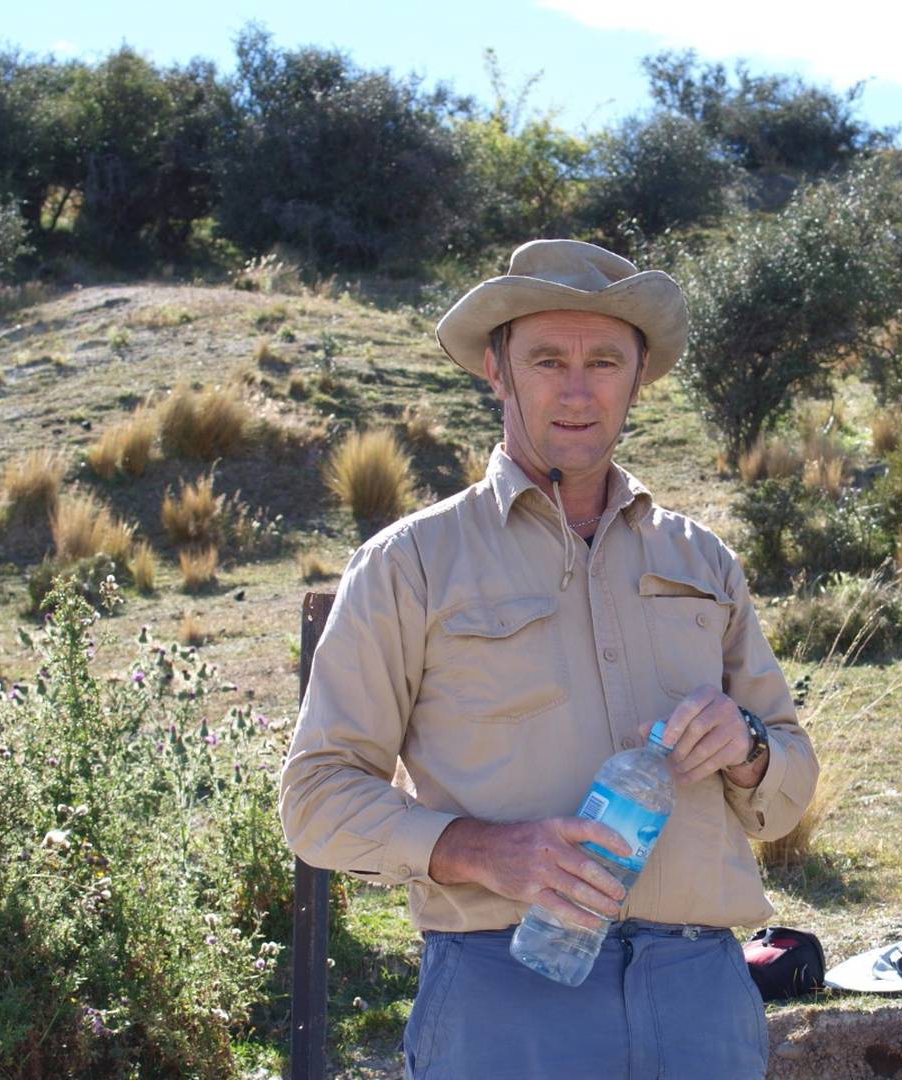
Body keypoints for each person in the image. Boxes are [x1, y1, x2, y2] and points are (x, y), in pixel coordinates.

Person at [279, 239, 819, 1079]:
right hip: (506, 998)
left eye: (605, 360)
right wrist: (480, 851)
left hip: (703, 1001)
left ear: (639, 378)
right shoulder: (409, 564)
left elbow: (786, 784)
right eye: (546, 359)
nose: (577, 389)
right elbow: (315, 801)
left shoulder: (703, 561)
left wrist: (749, 750)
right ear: (497, 371)